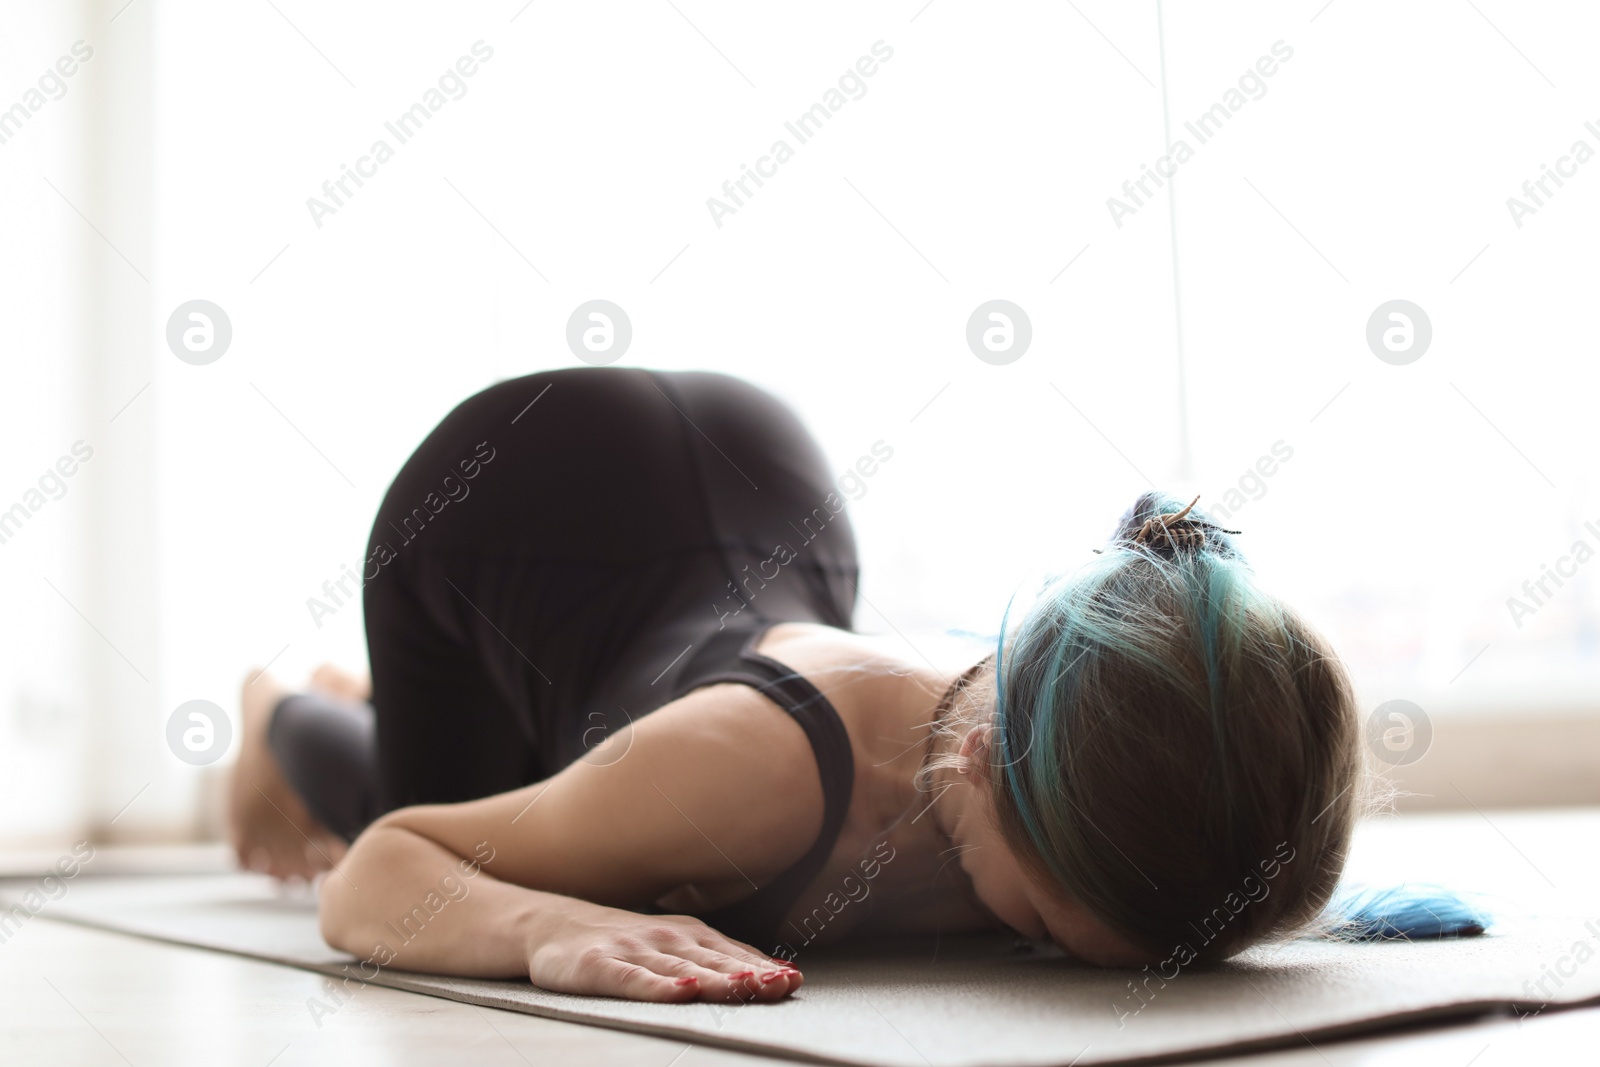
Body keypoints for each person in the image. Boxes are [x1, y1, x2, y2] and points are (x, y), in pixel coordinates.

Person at [227, 367, 1458, 1006]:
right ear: (974, 764)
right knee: (453, 809)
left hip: (768, 480)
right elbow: (390, 868)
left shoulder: (1075, 724)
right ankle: (280, 701)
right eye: (1036, 926)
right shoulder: (746, 776)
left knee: (559, 809)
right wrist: (551, 925)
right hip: (498, 502)